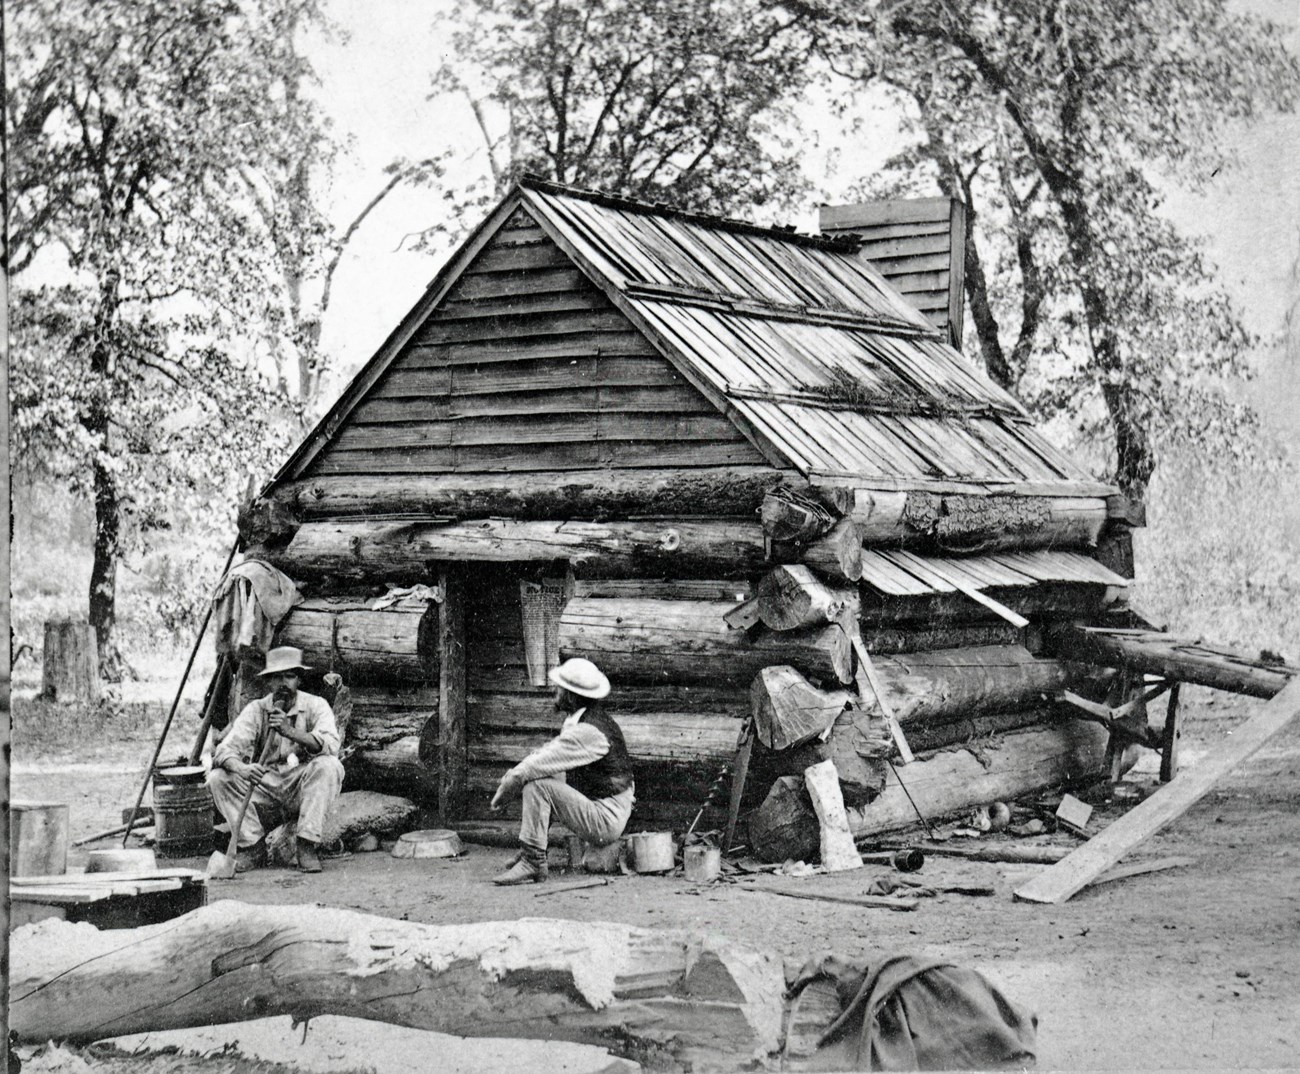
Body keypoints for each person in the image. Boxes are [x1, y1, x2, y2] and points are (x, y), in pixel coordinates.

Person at [489, 657, 634, 885]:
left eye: (559, 688)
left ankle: (533, 861)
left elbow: (533, 766)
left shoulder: (588, 731)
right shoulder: (581, 720)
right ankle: (533, 848)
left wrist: (506, 790)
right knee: (543, 776)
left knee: (537, 785)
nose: (554, 692)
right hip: (601, 804)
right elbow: (545, 758)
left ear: (571, 695)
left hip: (606, 818)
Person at [207, 646, 344, 873]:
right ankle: (252, 847)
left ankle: (306, 845)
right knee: (218, 778)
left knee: (329, 765)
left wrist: (289, 731)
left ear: (298, 680)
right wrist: (242, 768)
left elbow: (331, 745)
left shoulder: (316, 705)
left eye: (289, 676)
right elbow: (223, 750)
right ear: (268, 682)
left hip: (300, 785)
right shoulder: (257, 709)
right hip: (265, 785)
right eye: (277, 677)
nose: (283, 683)